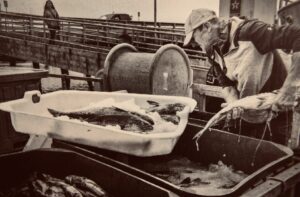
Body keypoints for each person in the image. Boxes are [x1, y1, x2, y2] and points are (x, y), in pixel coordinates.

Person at [184, 8, 300, 144]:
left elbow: (297, 35)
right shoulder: (212, 51)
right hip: (247, 114)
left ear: (206, 27)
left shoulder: (251, 32)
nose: (193, 44)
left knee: (274, 157)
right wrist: (234, 104)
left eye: (193, 38)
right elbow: (226, 83)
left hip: (276, 112)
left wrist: (291, 86)